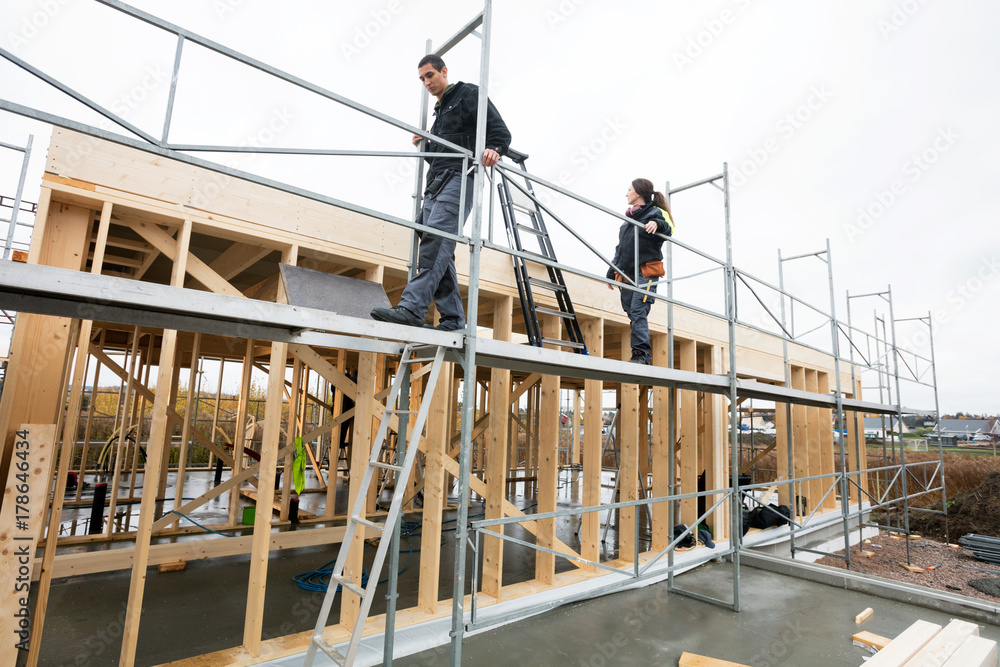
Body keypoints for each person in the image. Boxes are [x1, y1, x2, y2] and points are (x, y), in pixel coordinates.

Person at [371, 54, 511, 331]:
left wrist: (495, 148)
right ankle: (453, 319)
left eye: (430, 75)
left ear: (444, 71)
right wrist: (424, 146)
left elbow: (500, 131)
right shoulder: (438, 115)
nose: (426, 82)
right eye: (422, 79)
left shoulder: (468, 93)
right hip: (435, 184)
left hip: (461, 178)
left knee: (436, 241)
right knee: (435, 243)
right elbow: (435, 160)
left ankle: (412, 307)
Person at [606, 178, 674, 364]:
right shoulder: (628, 221)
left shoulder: (655, 213)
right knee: (631, 311)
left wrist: (657, 224)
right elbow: (620, 248)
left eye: (629, 189)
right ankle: (640, 352)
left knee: (638, 311)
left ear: (638, 192)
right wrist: (612, 271)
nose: (626, 193)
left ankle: (641, 354)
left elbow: (669, 228)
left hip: (645, 271)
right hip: (627, 274)